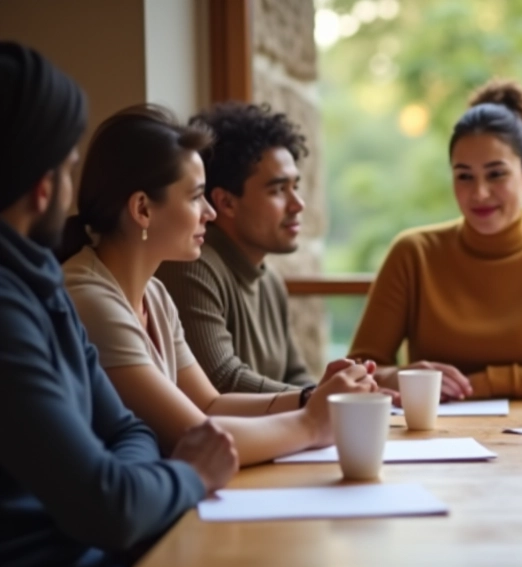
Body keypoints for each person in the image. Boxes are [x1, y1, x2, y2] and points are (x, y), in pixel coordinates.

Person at [0, 42, 238, 567]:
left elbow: (128, 434)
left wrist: (129, 481)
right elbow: (108, 506)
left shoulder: (43, 291)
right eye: (68, 169)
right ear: (42, 188)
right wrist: (190, 476)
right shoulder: (28, 305)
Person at [58, 104, 377, 467]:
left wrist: (313, 397)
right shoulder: (91, 300)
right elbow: (196, 436)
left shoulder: (154, 294)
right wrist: (311, 424)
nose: (209, 213)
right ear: (143, 209)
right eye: (195, 197)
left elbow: (211, 403)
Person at [349, 80, 522, 400]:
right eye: (464, 176)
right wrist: (402, 376)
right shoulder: (414, 253)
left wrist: (478, 385)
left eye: (496, 174)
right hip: (432, 436)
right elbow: (358, 369)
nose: (479, 193)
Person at [156, 103, 317, 394]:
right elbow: (222, 380)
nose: (298, 204)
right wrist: (317, 399)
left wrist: (346, 391)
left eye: (296, 186)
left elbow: (296, 375)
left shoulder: (269, 281)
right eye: (278, 190)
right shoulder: (194, 266)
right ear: (226, 203)